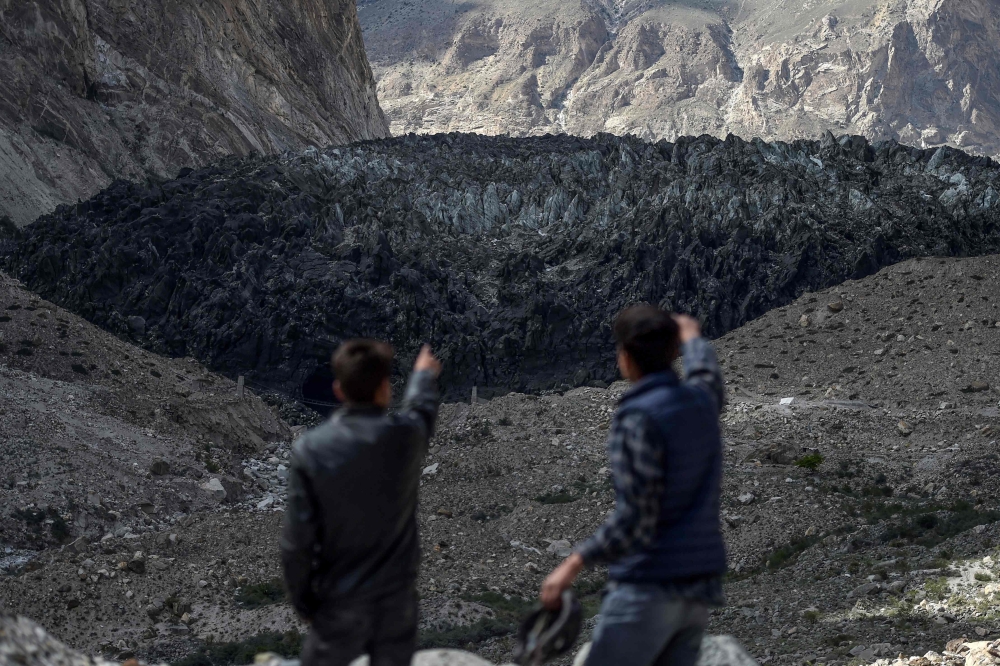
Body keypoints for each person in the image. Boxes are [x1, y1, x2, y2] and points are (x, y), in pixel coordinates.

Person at [540, 306, 727, 666]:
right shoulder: (700, 400)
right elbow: (708, 376)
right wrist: (692, 339)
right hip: (697, 590)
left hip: (649, 585)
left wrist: (573, 563)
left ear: (626, 356)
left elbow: (637, 514)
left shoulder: (638, 417)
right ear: (672, 351)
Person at [281, 340, 442, 666]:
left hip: (338, 607)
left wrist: (305, 605)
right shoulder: (404, 437)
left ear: (338, 389)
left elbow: (296, 543)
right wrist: (423, 375)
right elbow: (421, 409)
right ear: (385, 388)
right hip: (395, 609)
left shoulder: (311, 449)